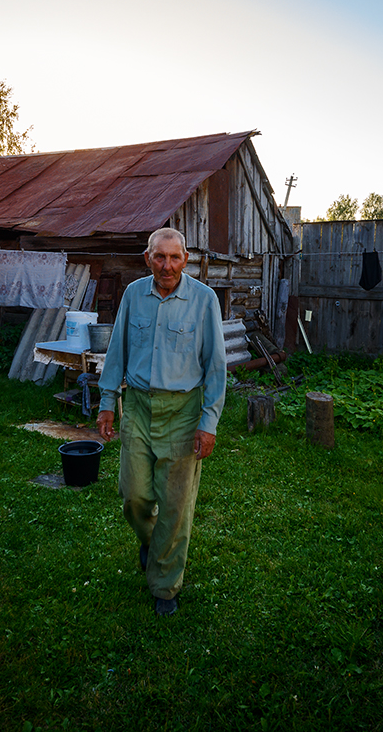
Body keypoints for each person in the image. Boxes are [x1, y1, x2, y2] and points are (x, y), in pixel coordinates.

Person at [96, 227, 226, 616]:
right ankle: (151, 541)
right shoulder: (134, 295)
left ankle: (165, 587)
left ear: (186, 259)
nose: (166, 265)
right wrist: (107, 401)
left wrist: (209, 422)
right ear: (147, 258)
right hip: (136, 407)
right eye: (159, 257)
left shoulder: (204, 301)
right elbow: (117, 348)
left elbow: (216, 368)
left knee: (175, 505)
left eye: (174, 257)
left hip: (184, 414)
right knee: (134, 495)